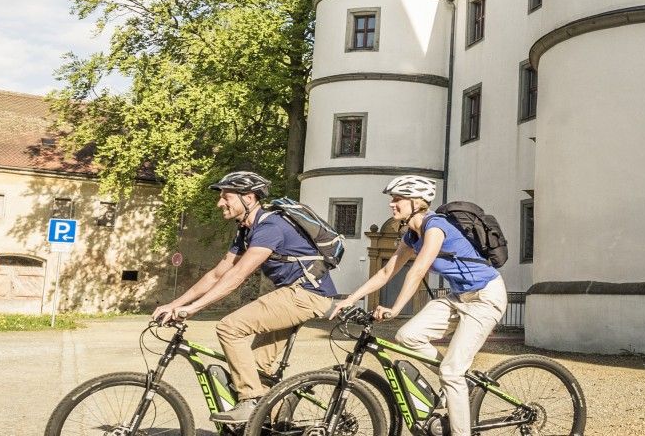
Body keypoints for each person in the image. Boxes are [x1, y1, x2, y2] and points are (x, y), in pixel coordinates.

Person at [152, 170, 337, 425]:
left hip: (306, 295)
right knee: (258, 370)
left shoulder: (270, 227)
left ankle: (249, 401)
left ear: (248, 198)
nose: (220, 203)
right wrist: (175, 304)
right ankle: (276, 418)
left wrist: (193, 309)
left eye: (226, 197)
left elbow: (238, 275)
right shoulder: (246, 230)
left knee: (229, 327)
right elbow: (217, 274)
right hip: (291, 295)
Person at [336, 175, 505, 436]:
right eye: (392, 199)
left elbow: (418, 271)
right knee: (407, 336)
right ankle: (459, 379)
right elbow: (386, 272)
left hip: (486, 297)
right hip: (459, 297)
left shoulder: (435, 227)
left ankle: (458, 402)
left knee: (450, 372)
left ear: (417, 203)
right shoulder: (412, 237)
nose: (392, 204)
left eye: (398, 199)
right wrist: (349, 299)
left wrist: (394, 309)